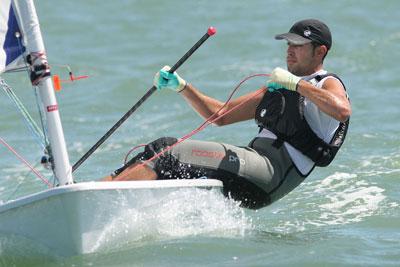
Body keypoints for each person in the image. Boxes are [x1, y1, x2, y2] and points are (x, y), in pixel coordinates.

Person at [104, 19, 351, 209]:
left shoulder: (325, 82)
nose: (289, 50)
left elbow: (341, 110)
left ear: (320, 51)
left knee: (170, 153)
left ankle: (105, 203)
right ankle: (94, 191)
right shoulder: (280, 85)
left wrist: (296, 84)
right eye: (288, 44)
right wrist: (181, 86)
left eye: (298, 45)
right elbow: (219, 115)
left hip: (270, 175)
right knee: (158, 149)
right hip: (253, 164)